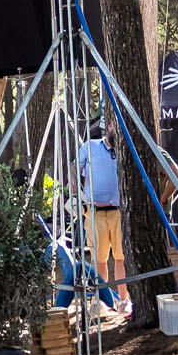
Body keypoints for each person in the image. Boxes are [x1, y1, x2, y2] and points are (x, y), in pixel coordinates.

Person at [77, 124, 127, 312]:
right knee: (99, 258)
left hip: (119, 210)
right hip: (94, 211)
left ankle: (123, 300)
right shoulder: (90, 147)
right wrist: (78, 196)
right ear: (110, 126)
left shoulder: (125, 148)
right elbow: (74, 168)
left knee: (121, 257)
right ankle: (102, 301)